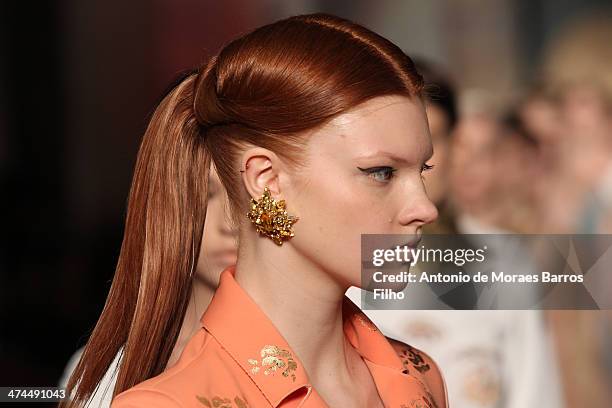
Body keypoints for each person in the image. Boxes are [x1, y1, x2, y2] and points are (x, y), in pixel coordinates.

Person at [62, 12, 447, 408]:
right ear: (267, 180)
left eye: (423, 169)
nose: (424, 207)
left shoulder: (420, 375)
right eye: (380, 172)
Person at [58, 165, 237, 407]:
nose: (230, 224)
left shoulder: (292, 363)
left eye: (243, 197)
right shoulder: (99, 372)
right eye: (205, 195)